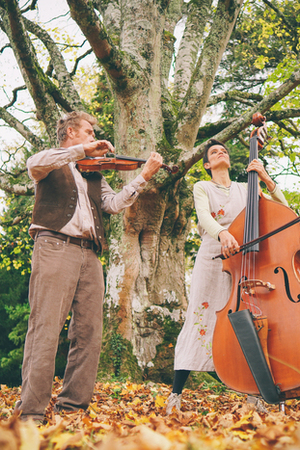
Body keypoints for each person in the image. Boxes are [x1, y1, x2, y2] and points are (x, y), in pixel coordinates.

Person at [15, 111, 163, 423]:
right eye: (88, 132)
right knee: (45, 328)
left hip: (90, 254)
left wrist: (143, 176)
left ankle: (72, 409)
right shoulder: (51, 161)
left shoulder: (95, 174)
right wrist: (83, 150)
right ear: (70, 132)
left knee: (89, 333)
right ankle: (31, 412)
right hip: (54, 245)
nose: (94, 138)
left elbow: (112, 205)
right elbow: (33, 165)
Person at [166, 139, 288, 415]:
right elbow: (204, 216)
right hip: (213, 259)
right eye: (213, 152)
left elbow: (285, 211)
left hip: (245, 264)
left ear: (230, 160)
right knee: (200, 319)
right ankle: (175, 394)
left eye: (224, 150)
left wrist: (266, 179)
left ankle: (253, 395)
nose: (221, 152)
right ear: (207, 164)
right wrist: (222, 233)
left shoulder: (247, 188)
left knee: (248, 324)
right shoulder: (203, 186)